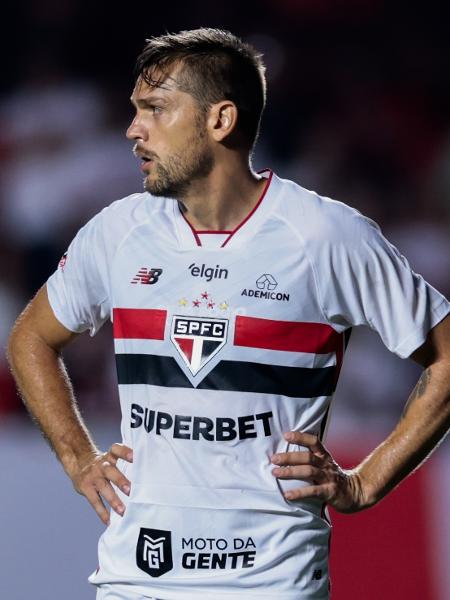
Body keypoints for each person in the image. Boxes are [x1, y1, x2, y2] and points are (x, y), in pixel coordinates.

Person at [7, 28, 450, 600]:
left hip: (270, 582)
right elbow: (31, 338)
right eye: (135, 110)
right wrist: (78, 458)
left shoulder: (325, 235)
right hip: (136, 578)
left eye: (155, 109)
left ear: (220, 120)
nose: (133, 130)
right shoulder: (118, 232)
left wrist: (365, 484)